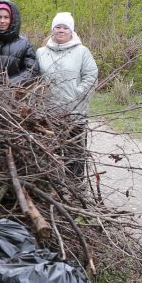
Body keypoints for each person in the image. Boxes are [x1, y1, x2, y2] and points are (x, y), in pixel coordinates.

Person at [35, 12, 99, 179]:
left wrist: (77, 94)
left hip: (74, 113)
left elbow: (91, 75)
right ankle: (54, 187)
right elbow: (34, 78)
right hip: (48, 114)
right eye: (58, 27)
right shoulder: (41, 52)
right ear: (52, 30)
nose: (61, 30)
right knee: (49, 155)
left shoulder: (82, 52)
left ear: (71, 31)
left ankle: (75, 187)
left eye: (65, 27)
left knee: (75, 155)